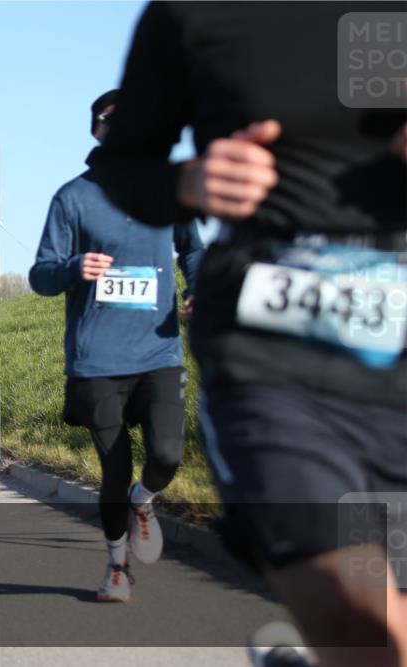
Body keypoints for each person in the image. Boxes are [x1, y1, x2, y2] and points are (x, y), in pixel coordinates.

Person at [89, 3, 406, 665]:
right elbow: (123, 162)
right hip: (275, 357)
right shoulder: (192, 15)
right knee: (361, 611)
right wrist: (189, 180)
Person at [29, 89, 204, 602]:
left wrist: (198, 290)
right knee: (113, 468)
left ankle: (143, 502)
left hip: (158, 349)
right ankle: (116, 567)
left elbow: (193, 250)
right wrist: (72, 268)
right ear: (98, 131)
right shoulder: (73, 198)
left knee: (167, 454)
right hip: (97, 358)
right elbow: (41, 275)